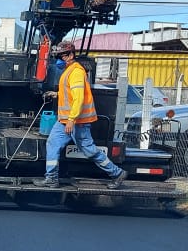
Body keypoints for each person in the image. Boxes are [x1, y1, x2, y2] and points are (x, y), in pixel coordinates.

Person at [33, 42, 127, 189]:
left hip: (77, 121)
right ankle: (51, 178)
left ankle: (117, 173)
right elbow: (70, 93)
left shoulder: (76, 72)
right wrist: (57, 94)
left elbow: (79, 98)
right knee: (52, 143)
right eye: (58, 56)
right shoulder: (68, 70)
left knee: (89, 150)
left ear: (71, 55)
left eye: (61, 56)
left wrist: (72, 120)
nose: (59, 59)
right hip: (64, 120)